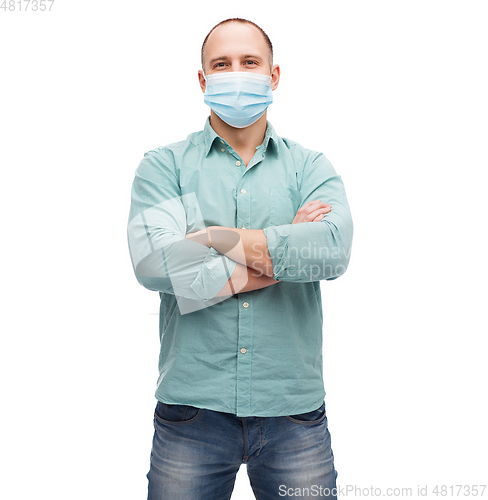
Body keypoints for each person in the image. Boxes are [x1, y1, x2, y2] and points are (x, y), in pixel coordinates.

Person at [127, 17, 353, 500]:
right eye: (221, 64)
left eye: (250, 62)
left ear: (273, 76)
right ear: (203, 80)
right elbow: (154, 264)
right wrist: (283, 250)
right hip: (191, 412)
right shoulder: (163, 166)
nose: (236, 73)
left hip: (293, 413)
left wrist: (212, 237)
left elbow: (331, 253)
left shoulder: (309, 166)